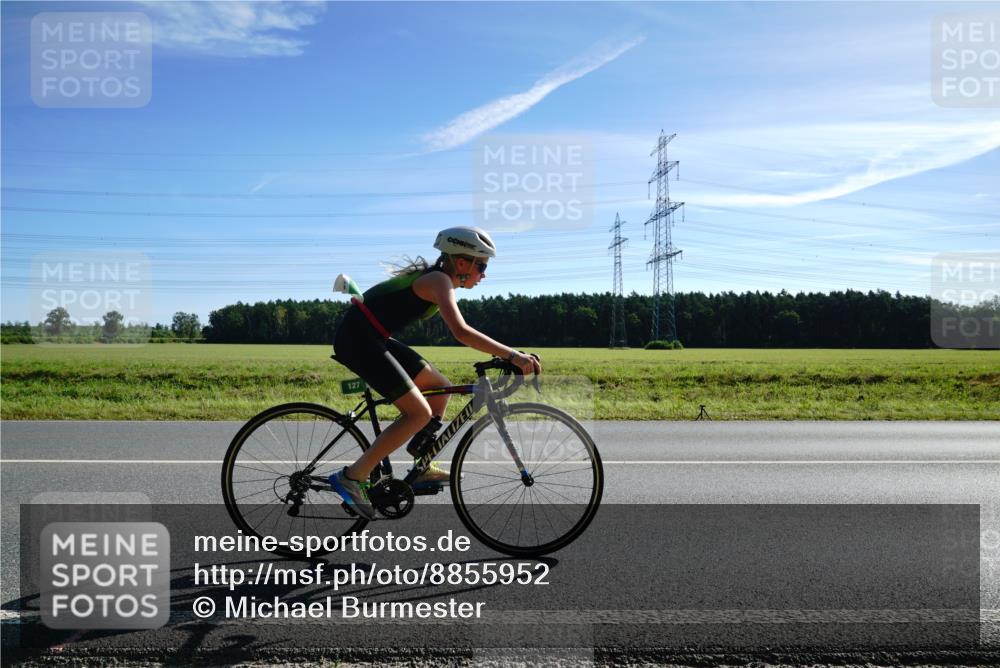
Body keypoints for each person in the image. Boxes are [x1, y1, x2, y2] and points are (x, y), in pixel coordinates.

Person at [329, 226, 542, 519]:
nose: (484, 275)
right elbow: (461, 332)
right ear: (462, 263)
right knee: (418, 414)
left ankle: (422, 465)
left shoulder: (438, 279)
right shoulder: (439, 280)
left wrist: (510, 354)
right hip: (358, 340)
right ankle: (352, 477)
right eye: (482, 266)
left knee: (440, 388)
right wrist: (512, 355)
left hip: (372, 336)